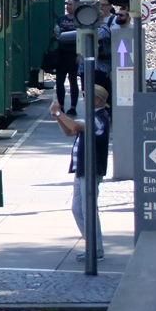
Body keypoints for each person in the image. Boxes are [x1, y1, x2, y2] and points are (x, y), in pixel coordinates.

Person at [50, 85, 111, 261]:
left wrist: (60, 113)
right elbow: (70, 131)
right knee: (78, 208)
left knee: (88, 208)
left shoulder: (99, 118)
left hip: (90, 169)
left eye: (88, 97)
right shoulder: (93, 118)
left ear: (97, 100)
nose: (84, 100)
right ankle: (92, 245)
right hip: (82, 169)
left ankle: (96, 249)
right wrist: (57, 116)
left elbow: (76, 125)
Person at [56, 0, 79, 115]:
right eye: (67, 4)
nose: (68, 6)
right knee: (59, 81)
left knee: (73, 81)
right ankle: (61, 105)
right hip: (62, 54)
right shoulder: (61, 18)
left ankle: (73, 106)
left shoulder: (79, 19)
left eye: (70, 4)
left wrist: (80, 54)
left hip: (73, 54)